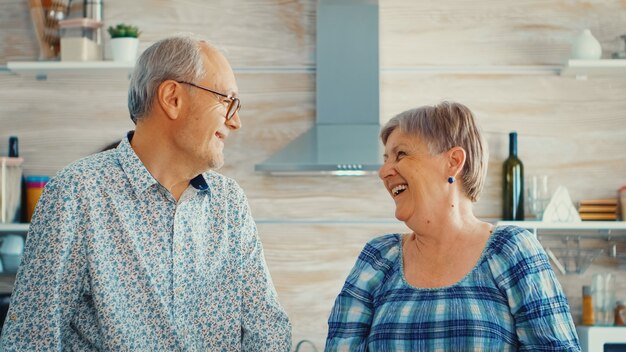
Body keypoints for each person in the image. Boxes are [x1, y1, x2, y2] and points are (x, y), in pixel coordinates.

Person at [0, 35, 291, 351]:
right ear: (172, 97)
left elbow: (268, 331)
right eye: (227, 100)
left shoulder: (230, 202)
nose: (236, 121)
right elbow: (30, 340)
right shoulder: (75, 194)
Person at [325, 102, 580, 351]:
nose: (384, 171)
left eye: (401, 154)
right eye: (386, 158)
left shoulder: (512, 250)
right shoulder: (379, 256)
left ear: (453, 161)